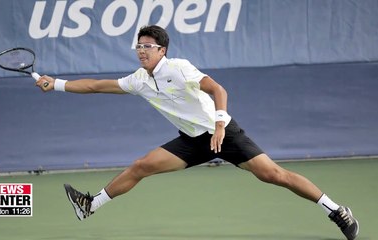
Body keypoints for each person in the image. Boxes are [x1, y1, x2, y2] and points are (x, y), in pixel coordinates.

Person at [36, 25, 359, 240]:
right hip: (192, 141)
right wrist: (58, 84)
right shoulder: (139, 79)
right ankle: (91, 205)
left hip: (223, 133)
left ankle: (335, 210)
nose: (141, 51)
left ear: (162, 50)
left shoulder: (180, 68)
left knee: (274, 175)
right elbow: (97, 85)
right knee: (141, 166)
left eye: (148, 46)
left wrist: (220, 125)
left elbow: (218, 89)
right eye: (139, 46)